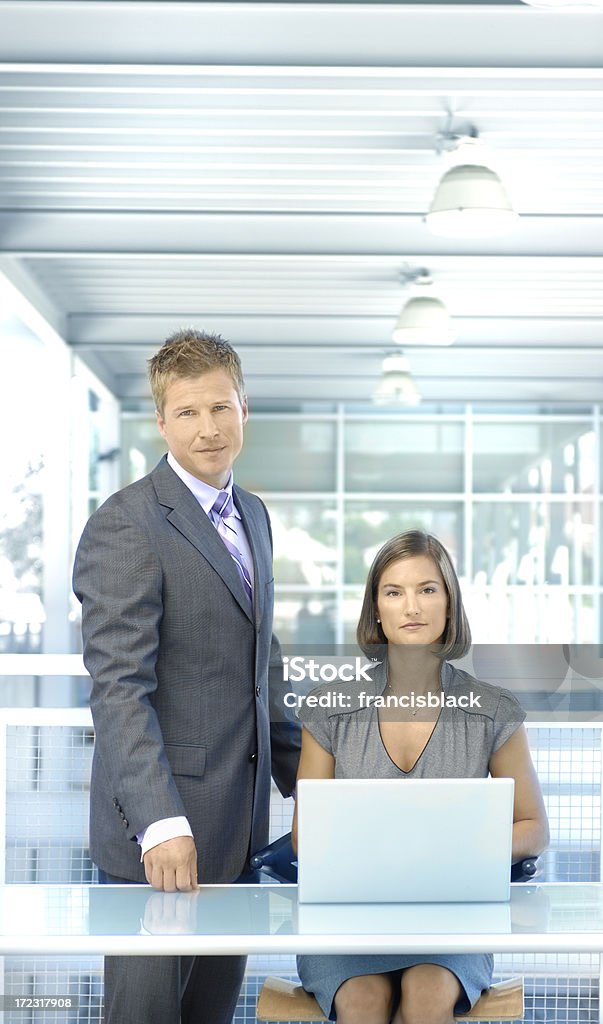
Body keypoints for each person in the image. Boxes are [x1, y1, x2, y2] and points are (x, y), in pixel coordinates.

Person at [73, 329, 301, 1024]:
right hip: (162, 836)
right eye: (189, 412)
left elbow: (264, 661)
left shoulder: (253, 515)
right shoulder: (128, 524)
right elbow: (119, 688)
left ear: (244, 409)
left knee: (209, 1014)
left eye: (221, 408)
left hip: (239, 827)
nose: (208, 429)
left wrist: (317, 779)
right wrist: (158, 822)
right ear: (161, 421)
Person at [292, 530, 549, 1024]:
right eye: (395, 592)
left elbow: (534, 827)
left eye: (428, 589)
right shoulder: (329, 709)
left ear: (450, 604)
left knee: (428, 992)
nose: (412, 606)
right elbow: (308, 840)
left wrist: (453, 848)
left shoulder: (493, 710)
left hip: (452, 919)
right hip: (349, 922)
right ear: (377, 611)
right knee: (364, 1000)